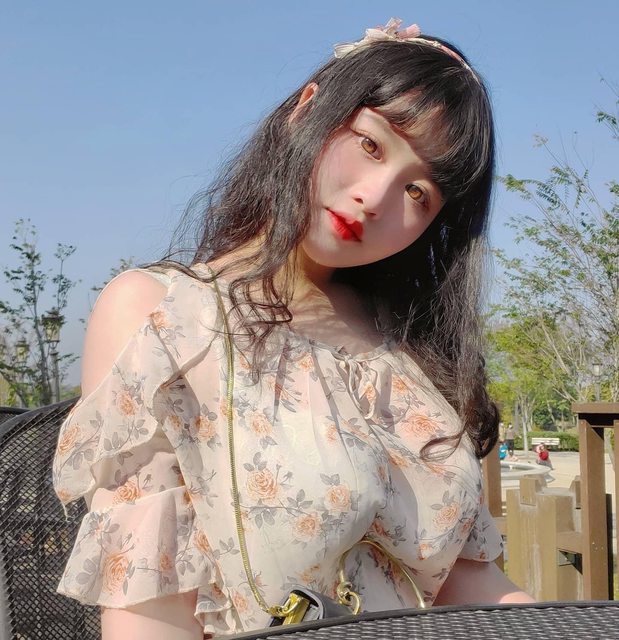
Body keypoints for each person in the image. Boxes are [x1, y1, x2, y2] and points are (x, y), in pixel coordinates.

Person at [52, 18, 533, 639]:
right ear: (307, 109)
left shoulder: (411, 355)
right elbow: (148, 613)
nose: (375, 197)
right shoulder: (166, 319)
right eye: (371, 145)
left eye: (418, 192)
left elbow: (468, 584)